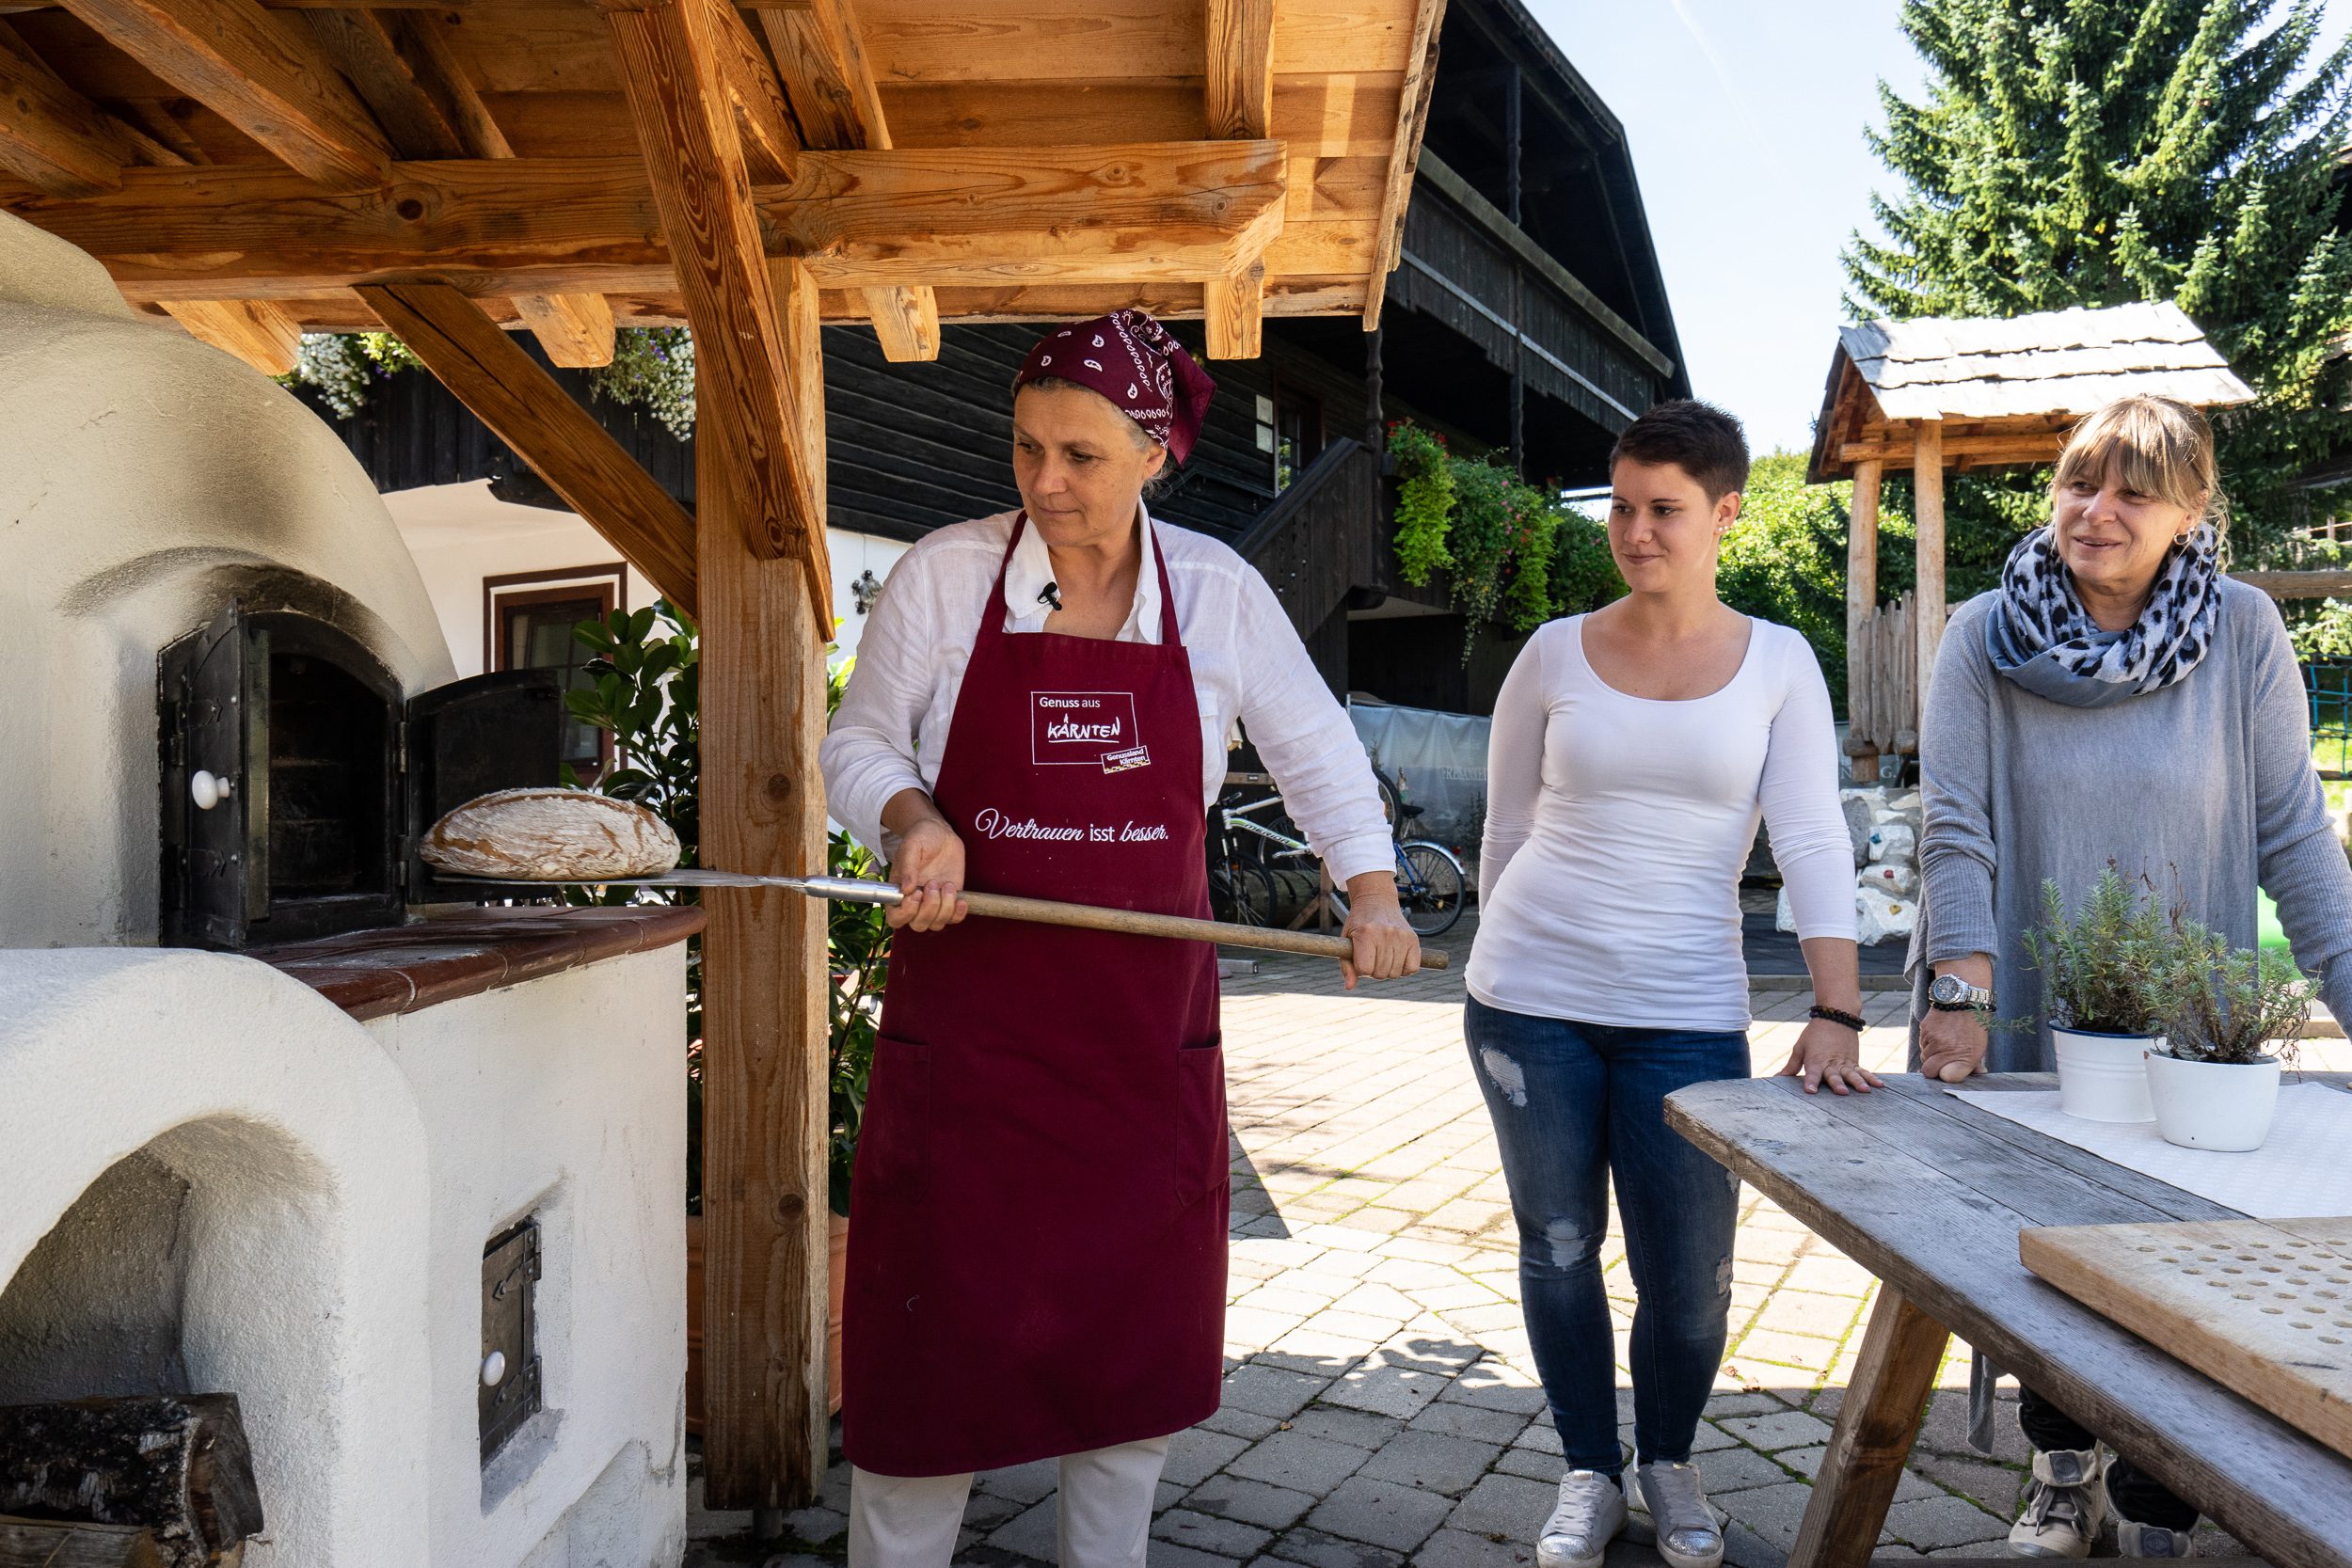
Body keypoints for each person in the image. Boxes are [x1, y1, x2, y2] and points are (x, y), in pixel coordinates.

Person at [819, 309, 1421, 1568]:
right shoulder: (944, 574)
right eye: (1029, 447)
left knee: (1125, 1377)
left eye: (1080, 454)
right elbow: (857, 740)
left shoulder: (1216, 592)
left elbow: (1315, 750)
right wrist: (913, 815)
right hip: (967, 1053)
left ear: (1154, 450)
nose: (1046, 481)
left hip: (1136, 1056)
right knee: (923, 1380)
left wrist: (1370, 889)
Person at [1911, 394, 2352, 1558]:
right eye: (2077, 483)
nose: (2094, 511)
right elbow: (1956, 830)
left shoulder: (2243, 632)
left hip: (2190, 1035)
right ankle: (2059, 1463)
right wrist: (1954, 1001)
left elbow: (2294, 838)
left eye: (2132, 490)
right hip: (2034, 1030)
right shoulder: (1981, 636)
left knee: (2184, 1256)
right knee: (2048, 1255)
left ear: (2191, 511)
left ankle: (2159, 1493)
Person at [1467, 400, 1868, 1568]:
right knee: (1554, 1242)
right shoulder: (1550, 652)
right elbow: (1505, 828)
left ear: (1725, 513)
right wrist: (1505, 961)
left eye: (1664, 511)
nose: (1635, 532)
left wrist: (1836, 1008)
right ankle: (1589, 1466)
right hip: (1528, 998)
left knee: (1688, 1276)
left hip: (1687, 1015)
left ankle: (1670, 1456)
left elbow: (1808, 836)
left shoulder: (1778, 660)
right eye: (1622, 507)